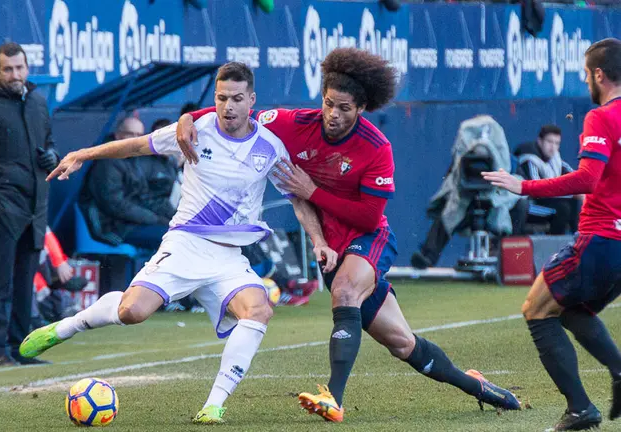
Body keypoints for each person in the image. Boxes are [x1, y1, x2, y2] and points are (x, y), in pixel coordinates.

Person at [177, 48, 521, 423]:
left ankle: (333, 398)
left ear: (361, 108)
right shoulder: (293, 123)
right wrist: (189, 117)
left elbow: (369, 216)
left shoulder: (376, 148)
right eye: (328, 104)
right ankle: (479, 387)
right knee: (403, 344)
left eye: (344, 108)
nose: (333, 115)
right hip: (332, 250)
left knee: (343, 291)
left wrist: (312, 192)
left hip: (368, 239)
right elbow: (239, 113)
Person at [19, 62, 338, 425]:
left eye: (236, 99)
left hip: (228, 257)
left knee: (259, 309)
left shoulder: (271, 147)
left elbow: (298, 199)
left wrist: (318, 242)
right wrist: (81, 154)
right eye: (221, 98)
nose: (228, 107)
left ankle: (214, 405)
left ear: (252, 100)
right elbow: (135, 147)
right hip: (186, 244)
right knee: (131, 313)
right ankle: (67, 327)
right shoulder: (195, 130)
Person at [483, 38, 621, 431]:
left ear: (599, 75)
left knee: (535, 310)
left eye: (587, 74)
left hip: (601, 240)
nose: (586, 79)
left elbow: (587, 178)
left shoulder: (601, 117)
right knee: (569, 309)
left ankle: (582, 408)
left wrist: (524, 187)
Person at [0, 42, 60, 367]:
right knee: (0, 282)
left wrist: (53, 158)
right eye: (8, 69)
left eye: (19, 68)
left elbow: (50, 144)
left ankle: (21, 349)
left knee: (24, 282)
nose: (15, 74)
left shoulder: (37, 101)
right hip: (3, 209)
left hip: (35, 207)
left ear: (27, 67)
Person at [79, 116, 174, 249]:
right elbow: (115, 205)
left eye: (139, 135)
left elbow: (145, 197)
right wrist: (155, 219)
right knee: (174, 240)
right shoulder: (107, 161)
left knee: (183, 234)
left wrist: (172, 218)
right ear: (118, 135)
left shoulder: (136, 159)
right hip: (112, 226)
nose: (135, 139)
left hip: (133, 222)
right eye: (131, 134)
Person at [514, 125, 582, 235]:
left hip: (547, 202)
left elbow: (575, 176)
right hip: (529, 205)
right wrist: (571, 194)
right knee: (562, 209)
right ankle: (556, 248)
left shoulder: (555, 160)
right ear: (540, 141)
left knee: (577, 202)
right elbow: (537, 191)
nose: (553, 147)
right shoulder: (529, 160)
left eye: (557, 143)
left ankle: (579, 242)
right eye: (549, 142)